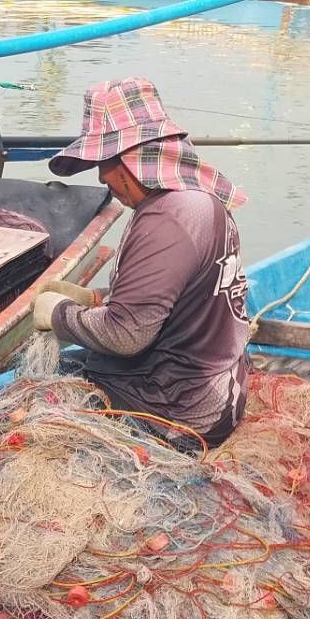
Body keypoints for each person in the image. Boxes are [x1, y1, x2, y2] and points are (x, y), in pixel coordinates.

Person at [32, 76, 251, 449]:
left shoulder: (167, 219)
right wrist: (99, 299)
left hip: (180, 412)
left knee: (32, 397)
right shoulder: (194, 201)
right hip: (219, 390)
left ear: (132, 158)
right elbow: (178, 295)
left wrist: (57, 314)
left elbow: (126, 336)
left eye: (105, 161)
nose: (102, 176)